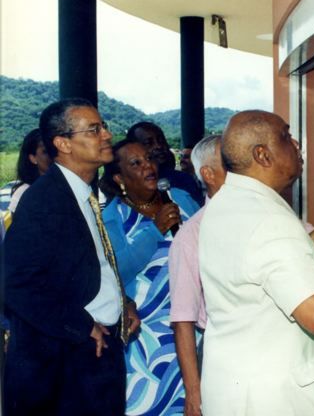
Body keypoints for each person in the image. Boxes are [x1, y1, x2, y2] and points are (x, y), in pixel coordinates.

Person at [199, 110, 314, 415]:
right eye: (286, 136)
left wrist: (311, 246)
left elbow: (253, 268)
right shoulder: (269, 220)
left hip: (233, 385)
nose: (296, 143)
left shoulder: (226, 204)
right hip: (274, 397)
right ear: (263, 155)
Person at [2, 98, 140, 415]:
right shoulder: (45, 200)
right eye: (93, 129)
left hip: (93, 351)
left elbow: (88, 264)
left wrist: (122, 301)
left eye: (103, 126)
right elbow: (17, 282)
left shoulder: (81, 193)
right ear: (63, 143)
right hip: (64, 361)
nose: (106, 134)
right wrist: (80, 325)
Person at [100, 138, 200, 415]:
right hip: (145, 338)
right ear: (119, 177)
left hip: (194, 328)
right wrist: (154, 230)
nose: (148, 167)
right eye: (136, 163)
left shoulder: (180, 199)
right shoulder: (113, 218)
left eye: (148, 159)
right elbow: (117, 271)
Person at [168, 135, 226, 416]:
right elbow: (183, 319)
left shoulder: (268, 216)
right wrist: (194, 394)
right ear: (208, 174)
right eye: (232, 165)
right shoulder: (193, 235)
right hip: (220, 355)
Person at [127, 121, 204, 206]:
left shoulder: (183, 180)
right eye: (149, 143)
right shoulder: (128, 185)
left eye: (161, 141)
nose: (158, 146)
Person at [8, 128, 51, 214]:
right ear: (33, 158)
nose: (52, 155)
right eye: (45, 151)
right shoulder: (24, 192)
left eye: (54, 150)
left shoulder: (64, 186)